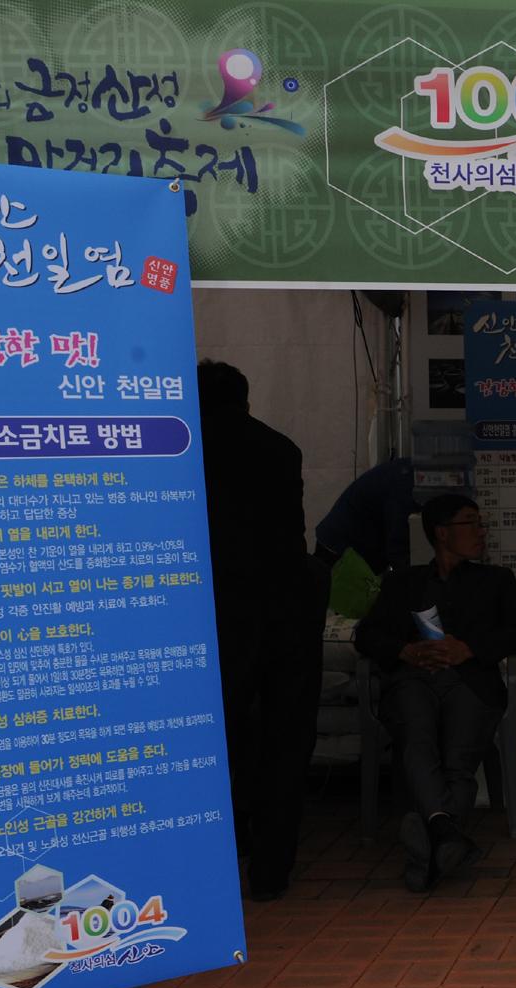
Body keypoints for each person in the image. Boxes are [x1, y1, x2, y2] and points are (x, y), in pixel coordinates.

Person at [198, 360, 327, 903]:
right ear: (246, 400)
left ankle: (218, 856)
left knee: (215, 739)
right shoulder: (282, 447)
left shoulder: (182, 448)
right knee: (286, 740)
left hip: (220, 610)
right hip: (290, 607)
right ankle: (272, 871)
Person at [355, 492, 516, 893]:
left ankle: (431, 835)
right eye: (472, 523)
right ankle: (447, 836)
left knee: (459, 758)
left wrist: (467, 648)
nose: (482, 532)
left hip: (470, 682)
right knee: (416, 738)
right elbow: (366, 635)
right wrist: (407, 651)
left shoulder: (496, 581)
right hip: (413, 681)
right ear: (442, 533)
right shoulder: (404, 582)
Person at [315, 456, 421, 576]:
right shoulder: (405, 484)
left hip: (340, 544)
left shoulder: (406, 473)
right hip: (341, 550)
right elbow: (398, 548)